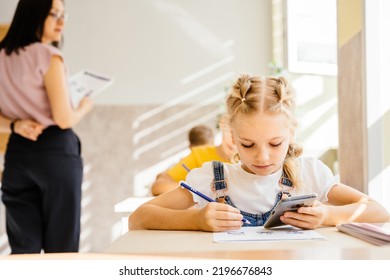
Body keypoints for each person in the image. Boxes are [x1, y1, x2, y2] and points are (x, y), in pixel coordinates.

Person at [129, 74, 389, 232]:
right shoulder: (211, 177)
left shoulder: (309, 173)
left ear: (292, 133)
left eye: (275, 144)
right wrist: (194, 220)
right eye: (248, 145)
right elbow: (138, 218)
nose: (262, 157)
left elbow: (378, 211)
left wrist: (328, 215)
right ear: (232, 137)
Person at [0, 0, 93, 254]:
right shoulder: (49, 55)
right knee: (61, 247)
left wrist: (16, 125)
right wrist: (84, 106)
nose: (62, 22)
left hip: (18, 153)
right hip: (55, 151)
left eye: (64, 15)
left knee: (23, 250)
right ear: (34, 14)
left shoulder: (1, 56)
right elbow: (64, 119)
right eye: (54, 15)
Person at [150, 122, 237, 196]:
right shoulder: (199, 155)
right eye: (232, 131)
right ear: (224, 124)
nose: (234, 140)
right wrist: (196, 190)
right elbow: (159, 186)